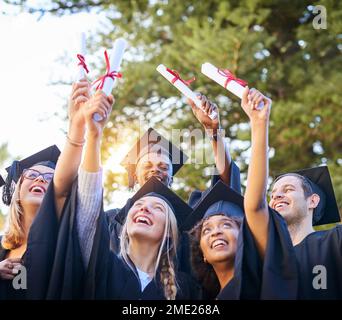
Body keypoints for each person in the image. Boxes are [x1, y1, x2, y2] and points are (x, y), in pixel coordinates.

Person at [186, 87, 298, 299]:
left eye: (227, 224)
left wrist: (258, 123)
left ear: (246, 237)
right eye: (207, 230)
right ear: (203, 255)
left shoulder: (260, 279)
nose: (216, 231)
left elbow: (254, 205)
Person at [269, 165, 342, 299]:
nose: (276, 196)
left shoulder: (335, 240)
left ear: (312, 201)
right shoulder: (266, 259)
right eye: (272, 195)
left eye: (288, 189)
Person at [0, 145, 60, 299]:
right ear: (18, 190)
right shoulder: (1, 243)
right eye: (32, 174)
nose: (40, 179)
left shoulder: (64, 245)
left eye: (50, 178)